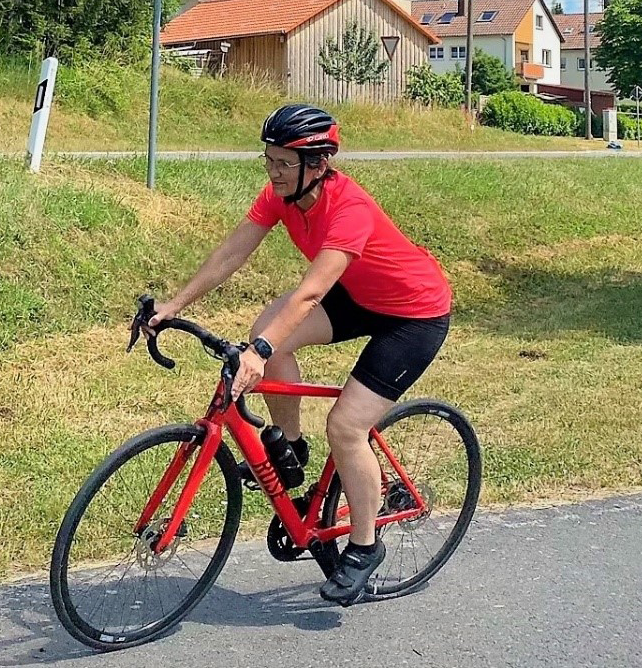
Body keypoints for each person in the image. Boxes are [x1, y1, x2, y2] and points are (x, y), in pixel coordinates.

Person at [147, 104, 452, 606]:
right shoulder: (282, 195)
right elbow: (232, 252)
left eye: (284, 163)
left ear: (318, 163)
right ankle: (291, 447)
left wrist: (259, 352)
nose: (273, 172)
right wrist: (172, 306)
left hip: (414, 315)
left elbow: (310, 293)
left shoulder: (347, 207)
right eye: (269, 160)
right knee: (266, 329)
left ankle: (364, 547)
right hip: (358, 296)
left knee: (347, 426)